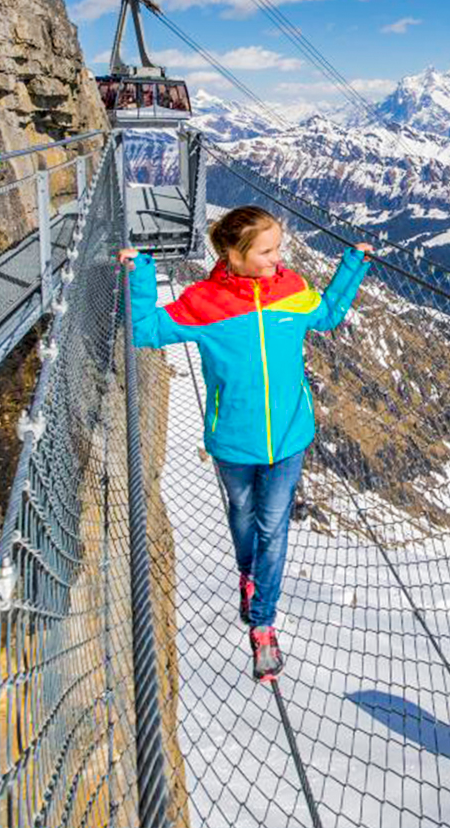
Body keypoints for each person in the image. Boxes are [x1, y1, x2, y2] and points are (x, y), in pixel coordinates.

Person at [118, 207, 372, 680]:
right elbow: (148, 331)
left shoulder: (292, 291)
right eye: (268, 250)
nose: (280, 258)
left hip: (289, 439)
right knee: (241, 513)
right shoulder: (204, 301)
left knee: (272, 527)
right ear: (234, 255)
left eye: (279, 248)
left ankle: (263, 624)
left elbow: (330, 314)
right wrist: (142, 272)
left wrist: (352, 266)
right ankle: (249, 576)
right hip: (234, 441)